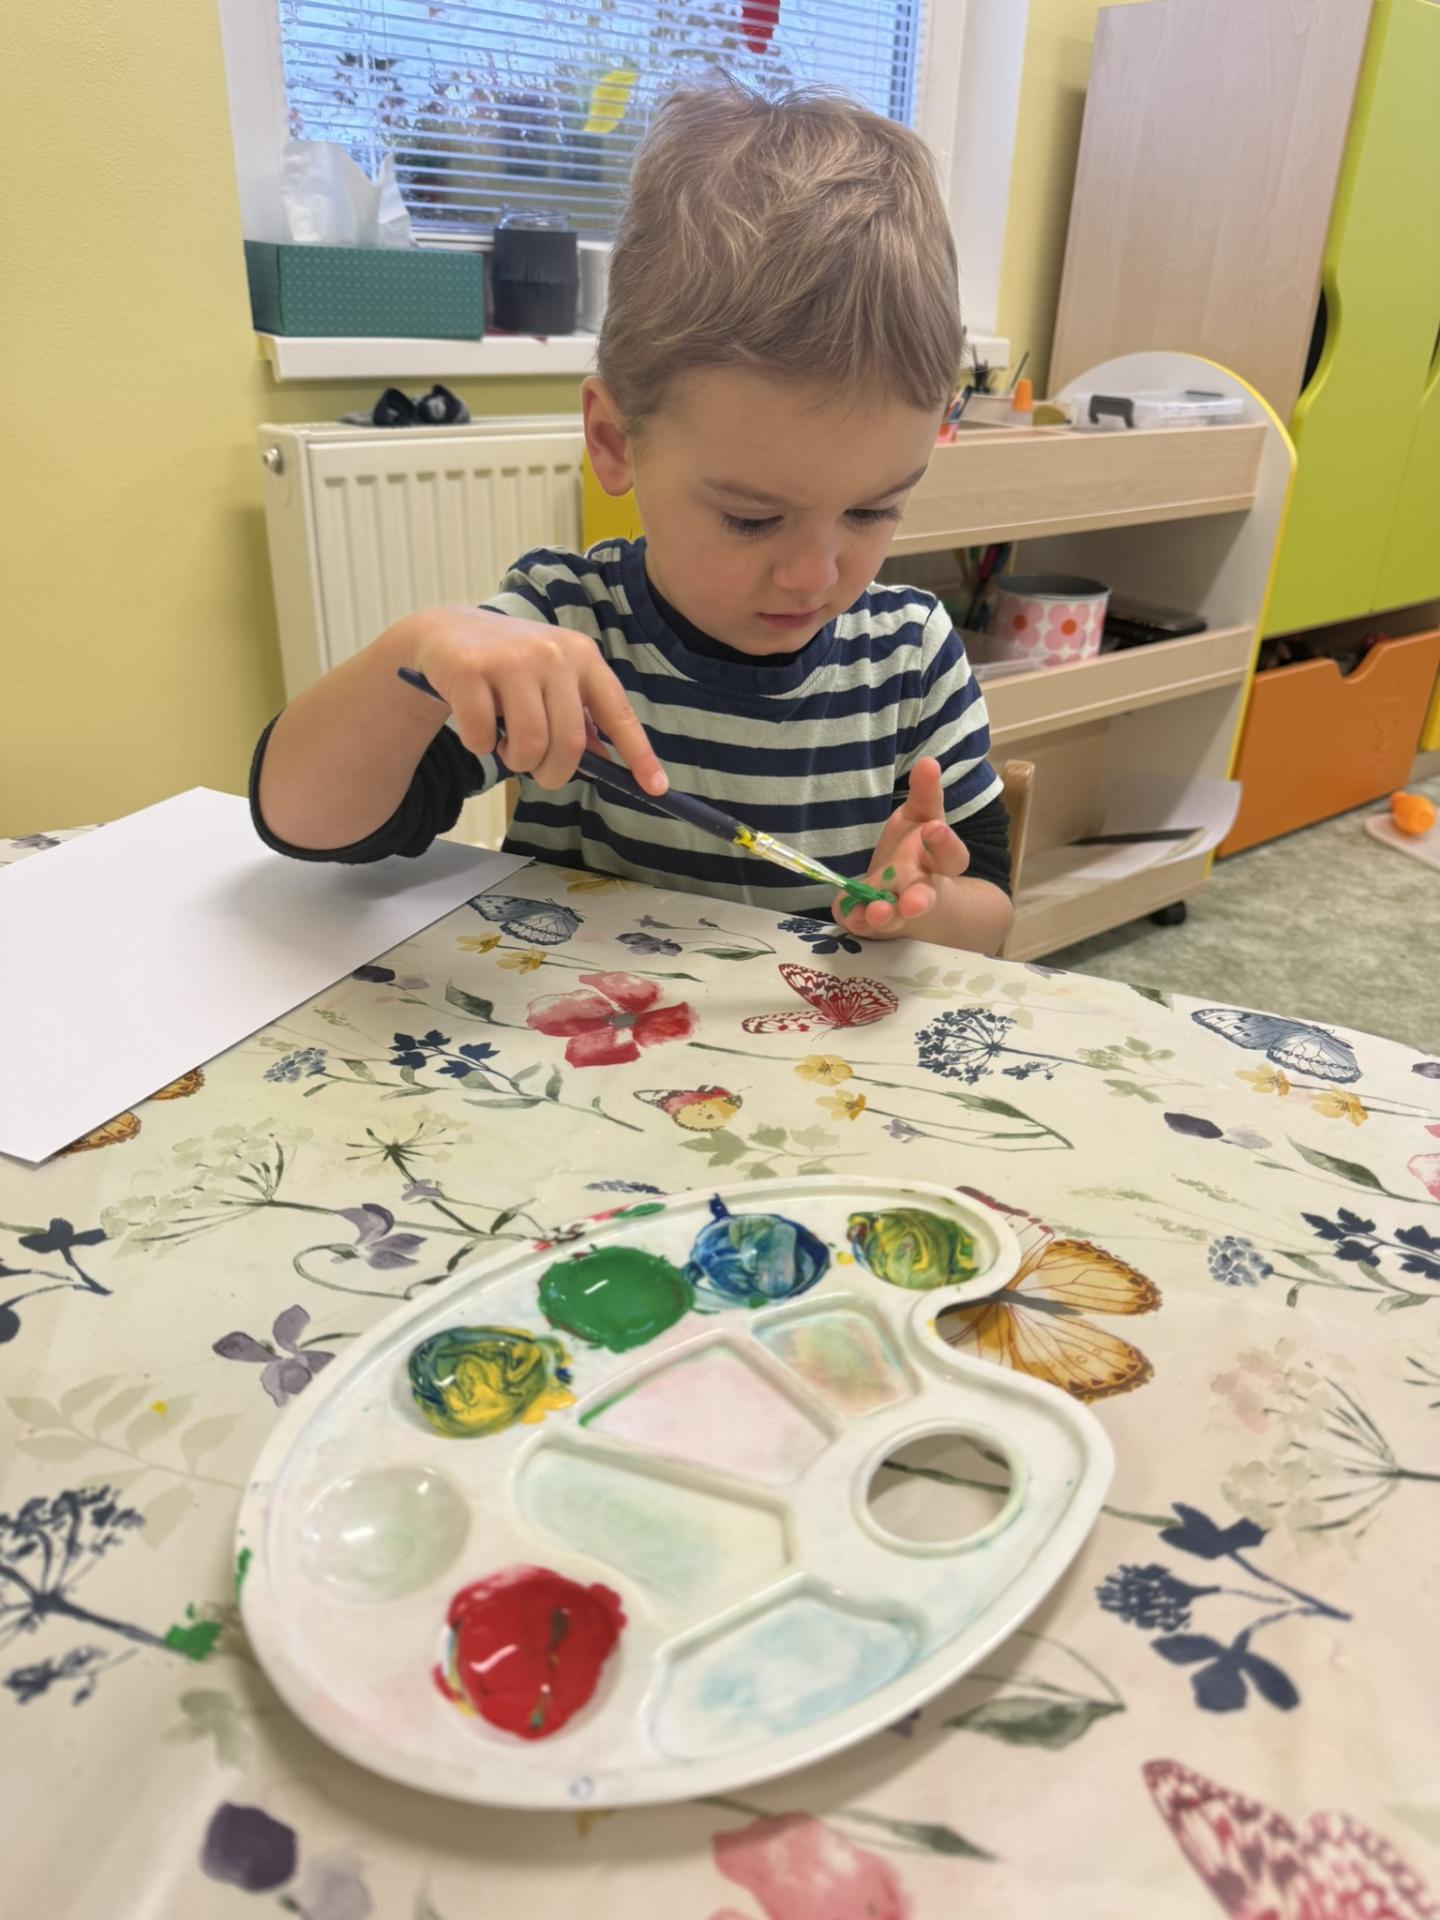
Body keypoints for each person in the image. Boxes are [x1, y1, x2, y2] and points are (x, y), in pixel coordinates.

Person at [252, 80, 1013, 954]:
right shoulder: (561, 629)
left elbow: (990, 912)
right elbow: (310, 824)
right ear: (614, 442)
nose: (816, 574)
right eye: (751, 518)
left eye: (874, 509)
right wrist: (413, 652)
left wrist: (921, 904)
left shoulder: (910, 657)